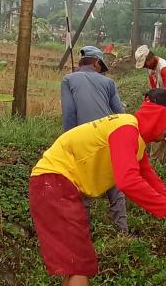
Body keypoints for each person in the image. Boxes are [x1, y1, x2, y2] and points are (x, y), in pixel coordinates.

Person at [29, 89, 166, 286]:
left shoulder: (135, 141)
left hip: (57, 186)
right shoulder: (126, 128)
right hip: (53, 183)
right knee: (79, 267)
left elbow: (154, 185)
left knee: (76, 266)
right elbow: (127, 180)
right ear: (159, 115)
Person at [61, 45, 128, 233]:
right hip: (108, 137)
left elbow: (69, 114)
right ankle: (122, 232)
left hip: (83, 139)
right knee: (115, 186)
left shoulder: (68, 80)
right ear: (97, 63)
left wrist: (68, 144)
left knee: (83, 187)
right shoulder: (108, 83)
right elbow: (120, 114)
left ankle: (84, 234)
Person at [135, 45, 166, 167]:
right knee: (157, 129)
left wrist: (165, 115)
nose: (145, 67)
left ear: (149, 58)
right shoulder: (151, 68)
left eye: (145, 64)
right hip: (162, 101)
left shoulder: (164, 68)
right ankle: (155, 160)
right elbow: (154, 89)